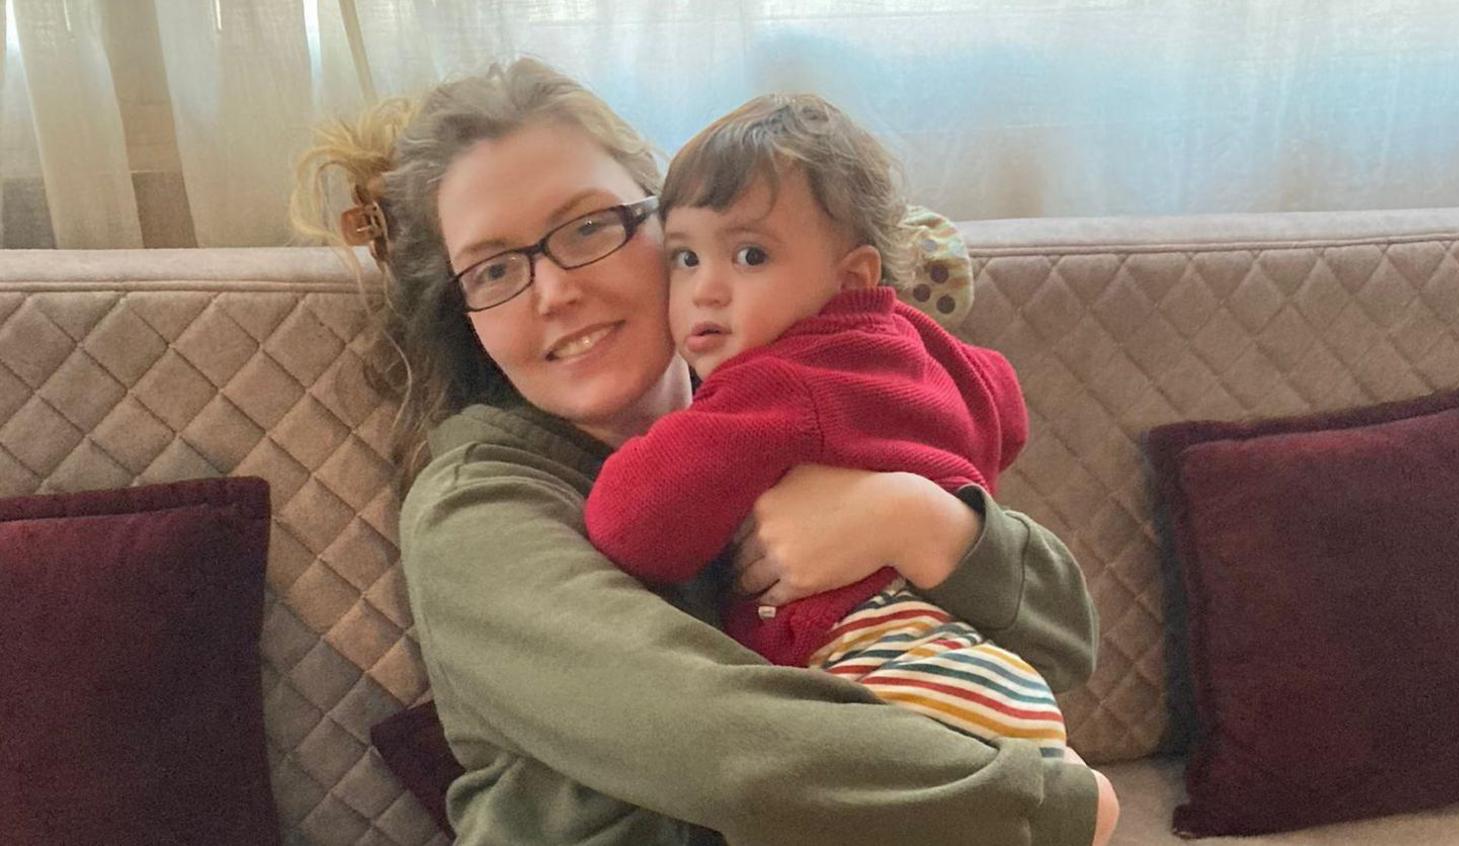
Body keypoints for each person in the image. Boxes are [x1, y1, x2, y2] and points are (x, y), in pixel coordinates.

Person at [292, 57, 1118, 846]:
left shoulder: (798, 401)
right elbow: (726, 745)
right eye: (494, 268)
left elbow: (1065, 641)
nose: (555, 290)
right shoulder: (475, 513)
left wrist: (914, 519)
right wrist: (1049, 813)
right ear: (463, 310)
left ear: (665, 227)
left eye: (586, 228)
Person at [585, 92, 1068, 756]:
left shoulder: (773, 384)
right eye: (684, 257)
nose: (706, 289)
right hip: (977, 659)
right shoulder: (925, 347)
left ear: (850, 280)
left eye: (750, 256)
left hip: (879, 663)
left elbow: (630, 523)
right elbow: (1004, 409)